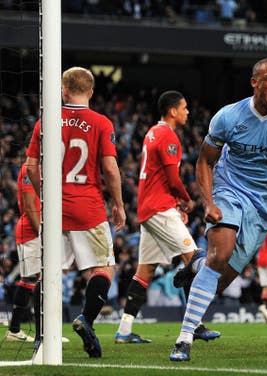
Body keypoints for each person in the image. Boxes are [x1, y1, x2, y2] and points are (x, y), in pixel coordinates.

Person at [169, 57, 267, 361]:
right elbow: (205, 161)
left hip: (264, 207)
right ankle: (184, 338)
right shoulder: (228, 117)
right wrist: (208, 203)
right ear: (254, 83)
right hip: (229, 190)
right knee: (220, 255)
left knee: (218, 282)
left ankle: (195, 264)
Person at [25, 66, 126, 358]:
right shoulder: (101, 122)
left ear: (64, 90)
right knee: (103, 268)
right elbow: (109, 168)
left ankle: (41, 338)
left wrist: (46, 194)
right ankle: (86, 319)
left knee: (48, 273)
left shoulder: (46, 120)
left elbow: (31, 166)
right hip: (88, 208)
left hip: (55, 209)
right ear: (91, 92)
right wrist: (118, 203)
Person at [114, 91, 218, 344]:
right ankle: (195, 324)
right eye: (184, 108)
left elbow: (159, 177)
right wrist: (186, 199)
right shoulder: (168, 136)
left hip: (149, 208)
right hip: (160, 209)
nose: (187, 112)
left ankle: (124, 331)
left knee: (145, 271)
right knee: (196, 259)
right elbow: (172, 179)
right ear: (172, 111)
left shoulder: (152, 132)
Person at [5, 163, 39, 343]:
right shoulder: (30, 168)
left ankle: (15, 329)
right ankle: (44, 334)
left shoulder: (37, 167)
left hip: (31, 231)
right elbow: (29, 204)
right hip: (31, 232)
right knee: (36, 280)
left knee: (29, 280)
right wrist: (41, 232)